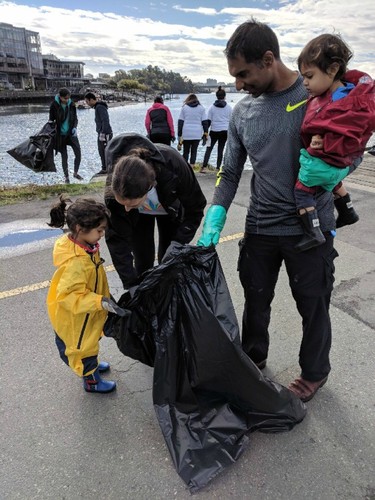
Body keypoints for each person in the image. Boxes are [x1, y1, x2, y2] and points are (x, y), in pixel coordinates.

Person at [197, 19, 358, 403]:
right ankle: (253, 359)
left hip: (312, 227)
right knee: (256, 300)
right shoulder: (241, 113)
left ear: (269, 59)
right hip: (261, 227)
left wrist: (336, 169)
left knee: (313, 305)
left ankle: (315, 372)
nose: (238, 84)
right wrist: (215, 214)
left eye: (243, 74)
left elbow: (352, 144)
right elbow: (229, 170)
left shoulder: (317, 92)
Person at [294, 34, 375, 252]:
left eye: (309, 76)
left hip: (330, 159)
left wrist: (324, 143)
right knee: (331, 183)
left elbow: (346, 131)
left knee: (303, 190)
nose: (305, 83)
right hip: (341, 164)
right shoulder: (343, 94)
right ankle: (348, 211)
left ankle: (313, 232)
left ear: (332, 69)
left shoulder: (343, 102)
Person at [46, 196, 127, 393]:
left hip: (87, 313)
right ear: (81, 229)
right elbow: (69, 296)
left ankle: (91, 366)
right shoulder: (76, 262)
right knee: (83, 349)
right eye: (99, 230)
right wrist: (99, 301)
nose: (102, 234)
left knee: (91, 342)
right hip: (77, 319)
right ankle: (91, 380)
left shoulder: (85, 247)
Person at [104, 133, 207, 288]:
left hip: (170, 210)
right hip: (140, 216)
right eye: (123, 203)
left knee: (168, 258)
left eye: (131, 204)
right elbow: (117, 239)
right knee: (142, 259)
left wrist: (178, 244)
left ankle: (168, 294)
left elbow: (195, 208)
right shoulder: (117, 185)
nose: (125, 208)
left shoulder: (173, 165)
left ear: (149, 188)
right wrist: (131, 285)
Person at [49, 87, 82, 183]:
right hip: (60, 135)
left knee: (78, 153)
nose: (67, 100)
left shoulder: (71, 104)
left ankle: (75, 173)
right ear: (60, 97)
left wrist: (75, 127)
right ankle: (66, 177)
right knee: (64, 156)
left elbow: (75, 118)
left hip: (71, 133)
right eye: (65, 98)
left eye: (68, 98)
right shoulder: (54, 105)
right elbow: (50, 120)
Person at [200, 86, 232, 173]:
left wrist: (205, 133)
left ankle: (204, 167)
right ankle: (218, 168)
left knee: (209, 148)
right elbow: (231, 121)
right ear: (225, 96)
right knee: (220, 150)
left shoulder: (211, 107)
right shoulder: (229, 107)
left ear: (216, 96)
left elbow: (208, 122)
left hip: (214, 131)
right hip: (225, 131)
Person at [84, 92, 113, 175]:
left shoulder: (99, 107)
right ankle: (105, 168)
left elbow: (105, 120)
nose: (87, 103)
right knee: (101, 151)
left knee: (105, 151)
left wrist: (103, 133)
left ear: (92, 99)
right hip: (102, 133)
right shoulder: (97, 107)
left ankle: (106, 169)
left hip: (105, 133)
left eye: (87, 101)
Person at [177, 94, 209, 166]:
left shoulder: (184, 108)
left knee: (186, 151)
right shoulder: (201, 108)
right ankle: (192, 167)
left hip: (186, 133)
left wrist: (179, 135)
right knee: (194, 151)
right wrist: (205, 133)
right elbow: (205, 123)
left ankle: (185, 168)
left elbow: (180, 122)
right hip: (197, 134)